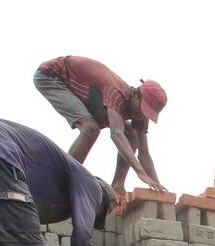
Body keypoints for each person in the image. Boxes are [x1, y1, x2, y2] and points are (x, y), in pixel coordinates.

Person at [33, 56, 166, 193]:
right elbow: (116, 134)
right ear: (136, 96)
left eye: (147, 113)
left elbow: (144, 153)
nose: (142, 115)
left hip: (89, 91)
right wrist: (139, 172)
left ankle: (118, 186)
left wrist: (159, 189)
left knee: (132, 133)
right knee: (90, 129)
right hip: (52, 76)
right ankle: (62, 181)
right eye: (142, 109)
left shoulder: (140, 113)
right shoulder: (116, 93)